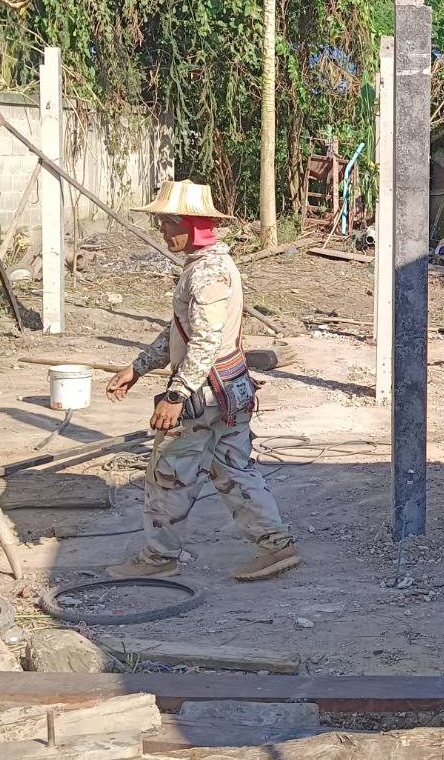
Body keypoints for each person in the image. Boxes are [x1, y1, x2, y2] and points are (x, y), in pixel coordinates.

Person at [104, 180, 300, 582]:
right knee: (234, 469)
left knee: (169, 472)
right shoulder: (208, 266)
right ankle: (276, 545)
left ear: (187, 226)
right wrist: (138, 367)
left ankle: (159, 556)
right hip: (230, 388)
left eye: (166, 223)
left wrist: (176, 395)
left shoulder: (207, 274)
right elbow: (181, 330)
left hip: (204, 394)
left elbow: (204, 340)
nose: (162, 231)